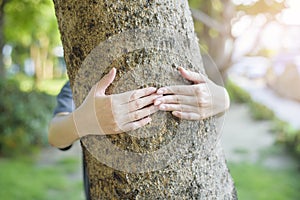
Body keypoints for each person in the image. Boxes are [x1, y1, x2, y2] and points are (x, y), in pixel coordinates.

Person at [48, 67, 230, 199]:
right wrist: (85, 120)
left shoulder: (185, 66)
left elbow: (208, 95)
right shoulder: (82, 78)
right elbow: (55, 135)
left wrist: (223, 98)